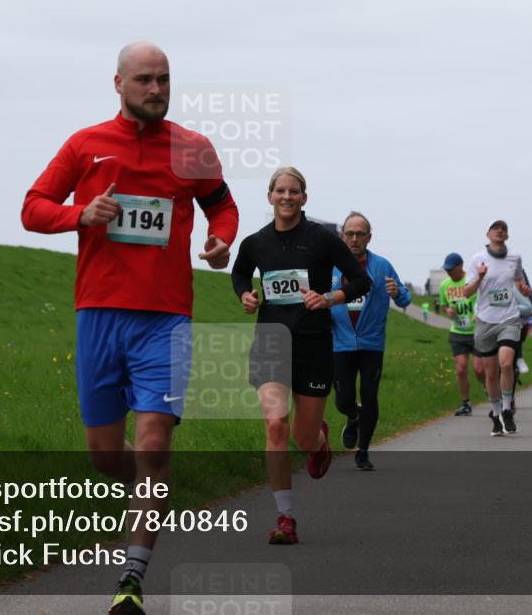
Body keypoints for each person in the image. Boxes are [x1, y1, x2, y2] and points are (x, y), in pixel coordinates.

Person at [21, 41, 239, 615]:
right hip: (99, 314)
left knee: (153, 443)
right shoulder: (86, 145)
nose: (156, 90)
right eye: (144, 80)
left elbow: (223, 206)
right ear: (117, 84)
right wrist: (80, 214)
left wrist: (222, 240)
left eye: (164, 79)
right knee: (102, 455)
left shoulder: (193, 149)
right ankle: (152, 490)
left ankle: (130, 580)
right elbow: (33, 207)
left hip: (166, 318)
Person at [231, 167, 370, 545]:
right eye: (280, 191)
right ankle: (285, 516)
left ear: (304, 198)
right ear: (270, 195)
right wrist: (244, 294)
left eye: (294, 191)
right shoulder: (256, 242)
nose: (287, 197)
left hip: (312, 341)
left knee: (302, 438)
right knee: (275, 426)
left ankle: (318, 443)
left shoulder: (322, 240)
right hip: (271, 340)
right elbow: (240, 274)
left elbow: (361, 281)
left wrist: (329, 297)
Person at [329, 212, 410, 471]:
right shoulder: (331, 267)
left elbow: (405, 299)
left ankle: (363, 452)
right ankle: (353, 416)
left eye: (359, 234)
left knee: (370, 395)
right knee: (343, 399)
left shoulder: (381, 266)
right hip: (340, 342)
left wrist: (398, 292)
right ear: (342, 236)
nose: (354, 239)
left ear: (369, 237)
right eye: (349, 234)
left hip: (371, 343)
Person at [463, 220, 532, 436]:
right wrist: (480, 277)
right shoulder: (477, 259)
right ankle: (495, 414)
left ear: (507, 236)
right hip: (485, 320)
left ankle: (507, 408)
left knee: (506, 362)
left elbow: (519, 281)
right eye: (496, 228)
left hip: (509, 318)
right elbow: (466, 292)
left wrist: (524, 288)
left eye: (504, 229)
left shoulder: (515, 257)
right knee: (490, 373)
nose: (500, 231)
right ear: (488, 234)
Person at [439, 253, 486, 417]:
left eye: (451, 269)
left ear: (460, 266)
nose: (448, 272)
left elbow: (483, 299)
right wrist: (448, 311)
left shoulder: (471, 281)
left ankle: (490, 389)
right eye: (446, 269)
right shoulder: (444, 285)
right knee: (461, 369)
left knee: (479, 370)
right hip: (457, 331)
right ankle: (466, 404)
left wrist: (478, 313)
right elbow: (444, 305)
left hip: (477, 331)